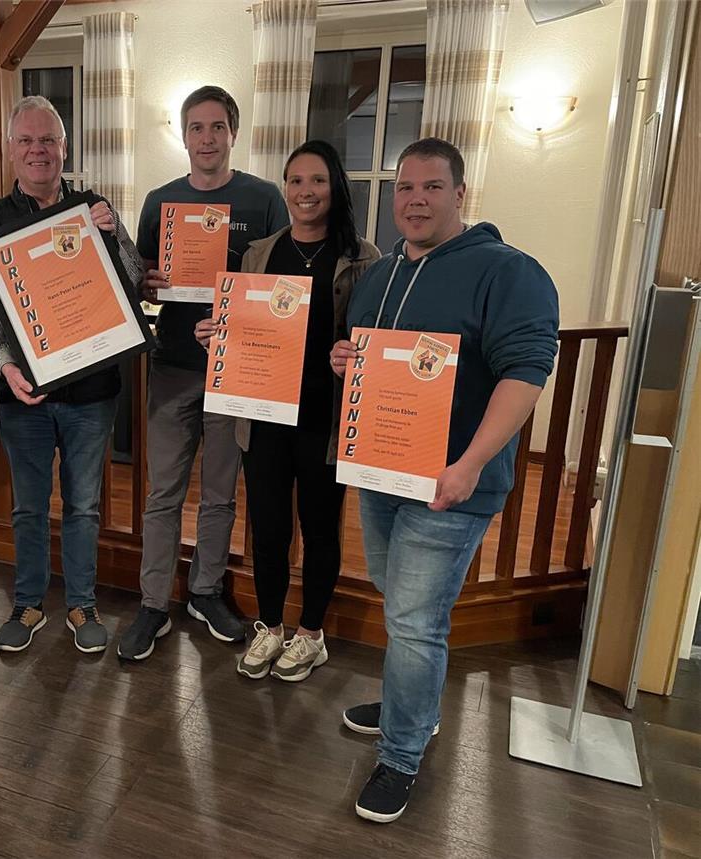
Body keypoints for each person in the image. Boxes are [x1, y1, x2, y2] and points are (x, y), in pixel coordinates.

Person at [330, 137, 558, 823]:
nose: (416, 200)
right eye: (405, 187)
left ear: (460, 194)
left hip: (450, 485)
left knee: (414, 618)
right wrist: (347, 359)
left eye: (432, 187)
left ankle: (401, 756)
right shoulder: (379, 275)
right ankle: (413, 705)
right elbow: (370, 359)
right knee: (397, 597)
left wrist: (469, 464)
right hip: (382, 472)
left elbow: (525, 375)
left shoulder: (508, 271)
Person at [0, 96, 146, 654]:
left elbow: (134, 280)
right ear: (10, 150)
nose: (38, 150)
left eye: (48, 140)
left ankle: (83, 603)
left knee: (85, 506)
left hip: (92, 392)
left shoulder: (94, 209)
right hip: (24, 394)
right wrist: (4, 361)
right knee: (28, 506)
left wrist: (110, 237)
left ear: (64, 148)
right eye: (27, 140)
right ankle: (30, 602)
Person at [194, 140, 379, 681]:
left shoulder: (365, 259)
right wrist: (217, 338)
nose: (306, 191)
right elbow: (242, 326)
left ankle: (311, 635)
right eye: (296, 180)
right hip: (263, 416)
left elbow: (377, 334)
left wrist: (354, 352)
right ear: (286, 188)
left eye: (317, 180)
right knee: (269, 529)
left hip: (325, 419)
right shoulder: (259, 254)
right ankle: (271, 626)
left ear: (335, 186)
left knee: (320, 529)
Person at [116, 86, 289, 661]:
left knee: (219, 493)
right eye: (197, 127)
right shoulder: (160, 201)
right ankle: (152, 603)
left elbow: (281, 286)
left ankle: (205, 591)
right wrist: (148, 282)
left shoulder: (263, 199)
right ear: (184, 135)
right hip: (172, 364)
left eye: (217, 127)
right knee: (162, 492)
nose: (207, 138)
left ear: (233, 133)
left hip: (236, 369)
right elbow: (141, 276)